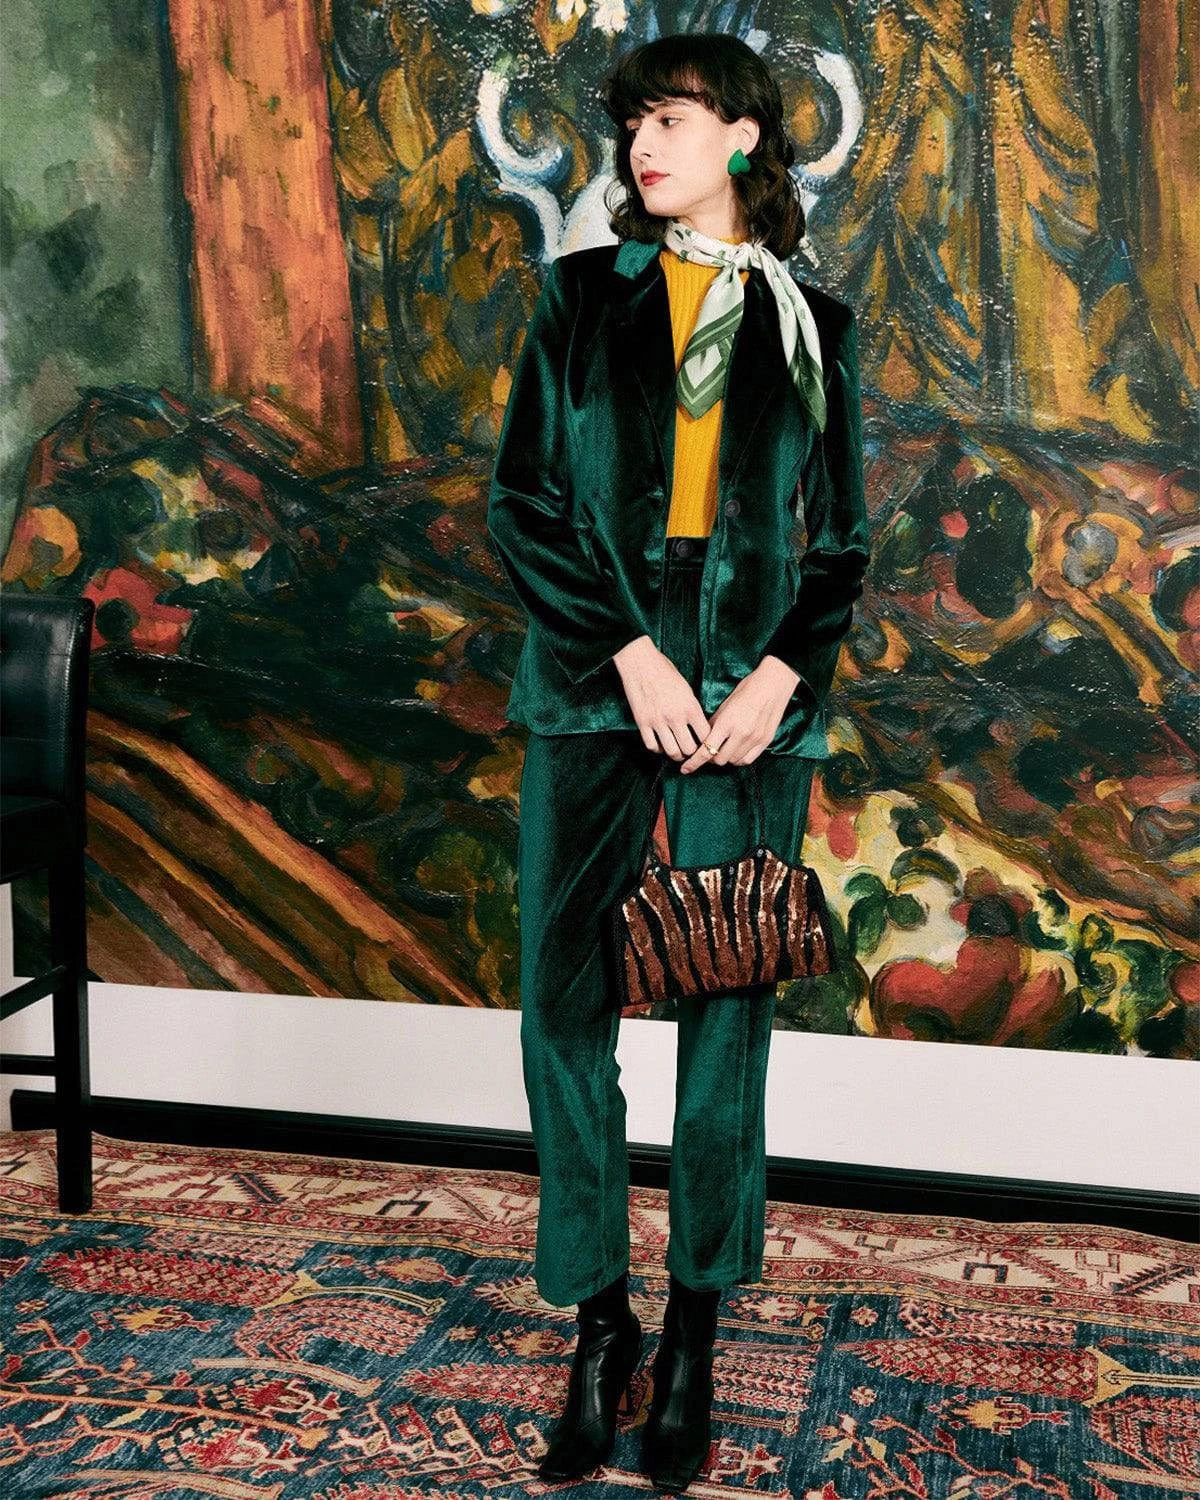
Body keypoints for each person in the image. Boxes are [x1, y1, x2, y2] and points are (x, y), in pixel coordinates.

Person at [486, 32, 870, 1493]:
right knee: (561, 1004)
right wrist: (628, 654)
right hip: (600, 685)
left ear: (745, 139)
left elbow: (840, 543)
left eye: (674, 118)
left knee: (725, 1017)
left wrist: (777, 675)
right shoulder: (580, 298)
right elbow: (525, 504)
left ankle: (698, 1325)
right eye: (633, 122)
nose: (643, 144)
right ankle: (602, 1320)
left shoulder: (814, 324)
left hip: (750, 700)